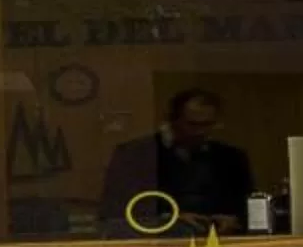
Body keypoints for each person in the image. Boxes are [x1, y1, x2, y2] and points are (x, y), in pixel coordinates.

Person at [102, 89, 255, 231]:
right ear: (172, 120)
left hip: (218, 244)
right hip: (155, 245)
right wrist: (167, 220)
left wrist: (234, 220)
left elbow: (249, 208)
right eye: (193, 124)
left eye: (208, 124)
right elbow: (115, 211)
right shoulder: (135, 154)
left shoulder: (232, 157)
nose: (200, 132)